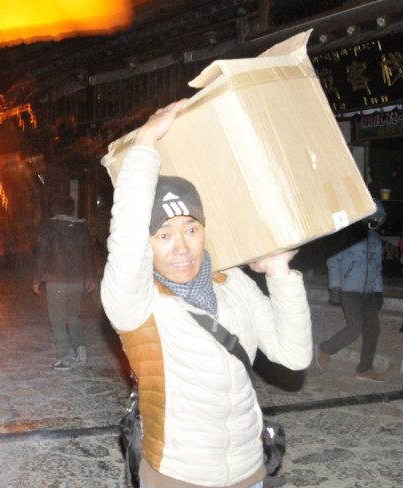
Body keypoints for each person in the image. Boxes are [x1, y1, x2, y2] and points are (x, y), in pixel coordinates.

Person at [100, 100, 313, 488]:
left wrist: (281, 272)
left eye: (191, 229)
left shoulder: (232, 284)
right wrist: (146, 142)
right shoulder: (134, 302)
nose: (181, 247)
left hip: (250, 471)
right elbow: (125, 239)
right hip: (178, 476)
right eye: (163, 235)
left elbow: (294, 355)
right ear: (146, 242)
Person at [316, 199, 386, 381]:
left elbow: (377, 267)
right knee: (354, 328)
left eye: (379, 218)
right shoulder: (350, 236)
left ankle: (365, 369)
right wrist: (336, 286)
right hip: (350, 289)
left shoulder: (376, 240)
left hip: (369, 292)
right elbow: (334, 260)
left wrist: (378, 291)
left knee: (373, 330)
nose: (376, 221)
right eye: (373, 217)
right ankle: (326, 349)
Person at [33, 193, 97, 370]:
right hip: (77, 280)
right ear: (71, 209)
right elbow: (88, 253)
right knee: (73, 316)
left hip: (56, 280)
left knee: (58, 319)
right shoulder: (80, 227)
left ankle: (65, 357)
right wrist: (90, 277)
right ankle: (80, 346)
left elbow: (42, 253)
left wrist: (37, 279)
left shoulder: (49, 226)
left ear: (53, 209)